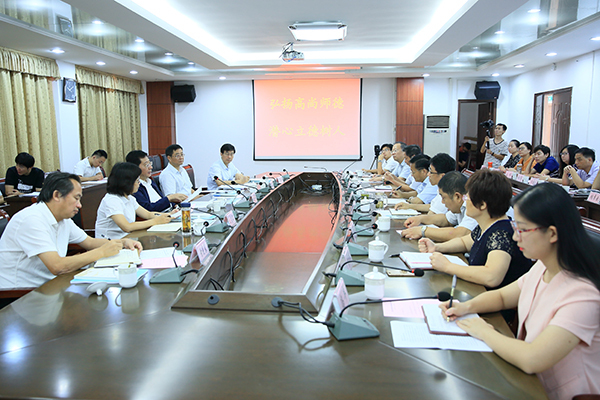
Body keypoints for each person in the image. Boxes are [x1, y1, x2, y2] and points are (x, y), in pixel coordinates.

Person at [441, 183, 600, 400]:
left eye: (522, 229)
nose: (516, 237)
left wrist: (484, 331)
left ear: (552, 233)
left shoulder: (583, 296)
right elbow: (502, 296)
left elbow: (532, 358)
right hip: (529, 382)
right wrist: (466, 307)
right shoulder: (543, 266)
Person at [418, 169, 532, 321]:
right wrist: (437, 247)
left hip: (496, 313)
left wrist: (448, 266)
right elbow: (465, 242)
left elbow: (491, 276)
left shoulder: (501, 233)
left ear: (482, 204)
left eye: (468, 197)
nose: (465, 201)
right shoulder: (486, 226)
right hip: (480, 298)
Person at [0, 172, 142, 289]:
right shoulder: (31, 219)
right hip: (20, 295)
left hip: (51, 286)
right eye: (76, 198)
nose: (80, 205)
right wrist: (101, 252)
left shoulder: (63, 219)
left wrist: (122, 242)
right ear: (57, 195)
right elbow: (57, 266)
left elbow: (89, 242)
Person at [96, 162, 173, 239]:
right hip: (110, 242)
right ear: (126, 183)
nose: (139, 183)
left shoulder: (129, 198)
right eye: (137, 181)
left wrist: (169, 215)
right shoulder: (112, 200)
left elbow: (148, 214)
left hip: (128, 239)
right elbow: (127, 227)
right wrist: (155, 221)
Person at [401, 172, 477, 241]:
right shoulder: (459, 206)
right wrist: (420, 219)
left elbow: (460, 233)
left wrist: (423, 230)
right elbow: (445, 219)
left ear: (457, 197)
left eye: (444, 198)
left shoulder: (473, 206)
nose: (442, 202)